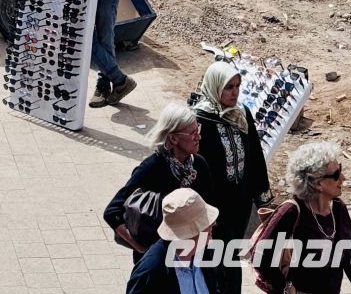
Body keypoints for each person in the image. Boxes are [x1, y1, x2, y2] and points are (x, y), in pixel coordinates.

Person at [249, 141, 351, 294]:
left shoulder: (338, 209)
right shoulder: (291, 211)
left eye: (340, 169)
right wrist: (286, 288)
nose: (342, 177)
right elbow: (260, 256)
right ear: (317, 183)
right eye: (336, 174)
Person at [104, 103, 215, 263]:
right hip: (159, 263)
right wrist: (142, 249)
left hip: (191, 259)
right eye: (192, 133)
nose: (198, 137)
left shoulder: (199, 165)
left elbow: (210, 210)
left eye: (198, 130)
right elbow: (112, 212)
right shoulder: (152, 167)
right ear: (173, 138)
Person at [194, 63, 271, 292]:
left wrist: (263, 199)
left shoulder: (242, 113)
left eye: (238, 86)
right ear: (215, 86)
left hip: (240, 202)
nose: (235, 92)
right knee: (218, 258)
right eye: (228, 87)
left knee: (230, 253)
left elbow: (255, 156)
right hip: (214, 205)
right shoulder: (200, 119)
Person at [126, 187, 229, 294]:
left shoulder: (207, 252)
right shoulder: (149, 273)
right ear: (189, 233)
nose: (213, 224)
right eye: (205, 222)